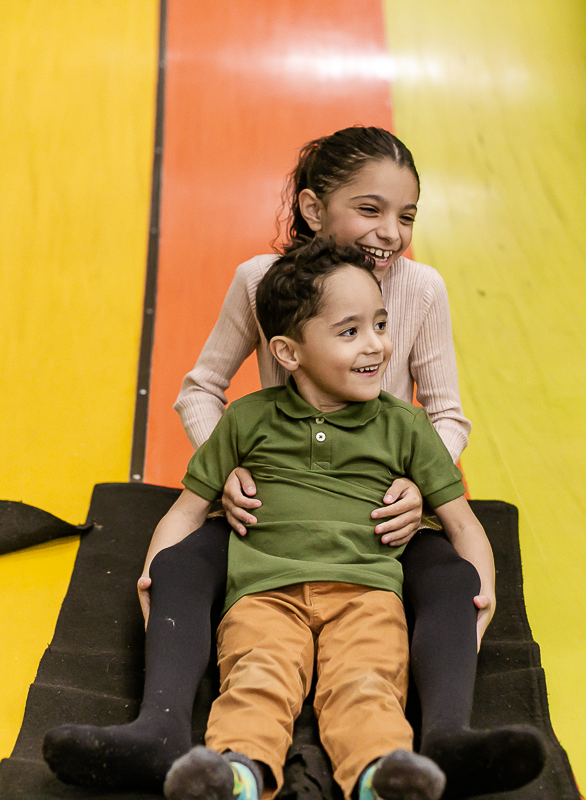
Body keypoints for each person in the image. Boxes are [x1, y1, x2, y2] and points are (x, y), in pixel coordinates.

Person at [43, 127, 544, 795]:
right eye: (370, 210)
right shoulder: (261, 282)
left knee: (448, 576)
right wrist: (228, 469)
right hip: (273, 506)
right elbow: (202, 389)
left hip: (376, 510)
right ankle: (161, 726)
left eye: (407, 216)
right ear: (313, 210)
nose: (391, 232)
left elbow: (446, 413)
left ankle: (446, 734)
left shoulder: (420, 291)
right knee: (183, 566)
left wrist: (418, 486)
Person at [158, 239, 495, 800]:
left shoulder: (405, 426)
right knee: (255, 678)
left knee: (366, 683)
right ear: (288, 353)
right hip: (264, 594)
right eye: (350, 332)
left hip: (367, 594)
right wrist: (155, 590)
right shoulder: (246, 420)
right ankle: (236, 775)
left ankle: (381, 777)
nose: (377, 346)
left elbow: (463, 524)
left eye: (381, 324)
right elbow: (184, 513)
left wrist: (477, 612)